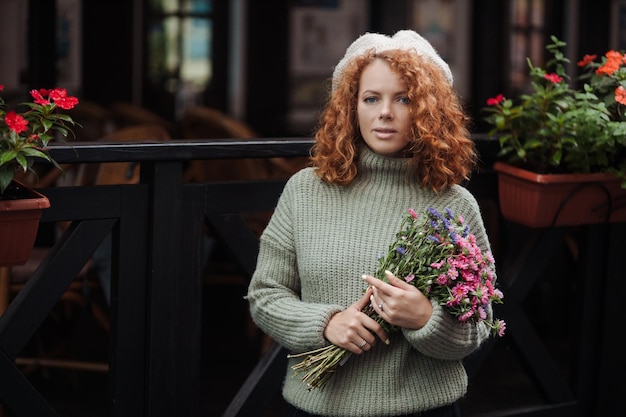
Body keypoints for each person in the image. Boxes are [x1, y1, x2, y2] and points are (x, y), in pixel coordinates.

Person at [246, 30, 495, 417]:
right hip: (317, 408)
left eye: (404, 99)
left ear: (429, 110)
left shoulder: (454, 204)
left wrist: (426, 319)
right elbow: (265, 296)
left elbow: (478, 327)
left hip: (423, 410)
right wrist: (325, 324)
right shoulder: (305, 191)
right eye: (371, 98)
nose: (385, 112)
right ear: (351, 107)